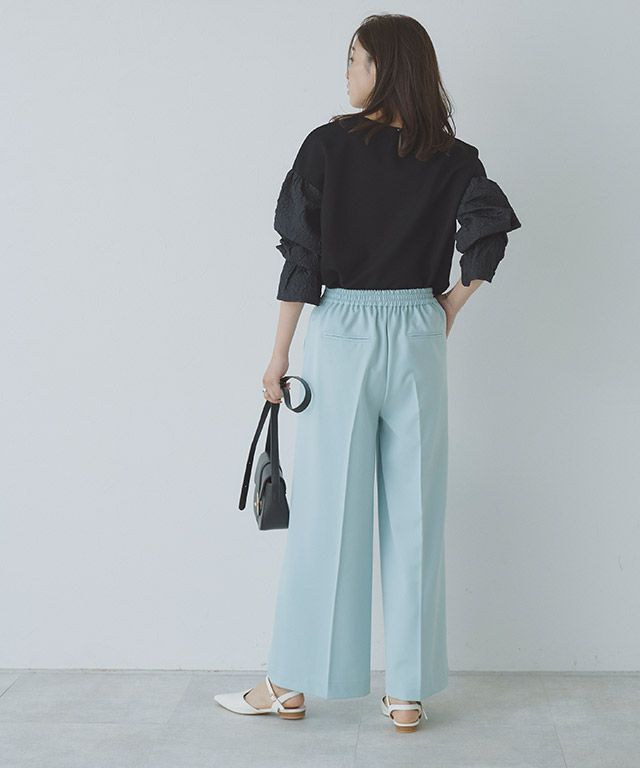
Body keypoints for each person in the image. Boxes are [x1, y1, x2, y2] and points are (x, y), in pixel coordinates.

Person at [215, 13, 522, 732]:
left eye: (355, 59)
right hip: (418, 330)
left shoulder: (327, 147)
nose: (348, 72)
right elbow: (487, 233)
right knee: (416, 513)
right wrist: (448, 306)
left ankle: (289, 684)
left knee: (327, 516)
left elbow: (301, 258)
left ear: (384, 68)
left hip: (344, 332)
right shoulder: (454, 156)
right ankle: (407, 694)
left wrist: (279, 354)